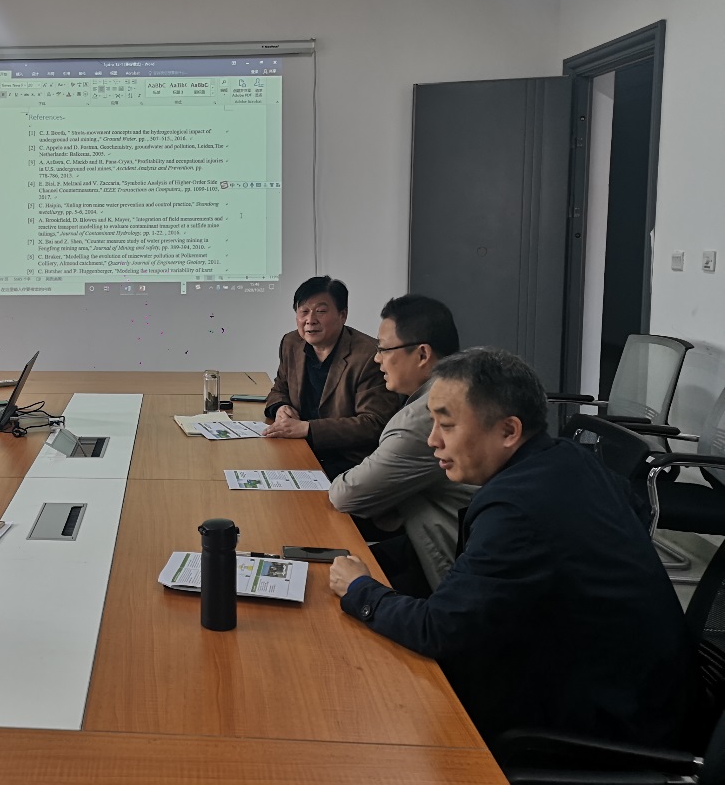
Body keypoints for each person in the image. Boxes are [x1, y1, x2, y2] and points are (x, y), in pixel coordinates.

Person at [328, 347, 691, 747]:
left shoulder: (517, 510)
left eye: (446, 425)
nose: (432, 441)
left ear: (508, 431)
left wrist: (361, 590)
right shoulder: (568, 457)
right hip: (644, 693)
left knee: (376, 707)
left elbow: (439, 630)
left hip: (604, 727)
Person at [328, 294, 474, 593]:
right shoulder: (463, 385)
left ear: (422, 354)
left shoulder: (427, 416)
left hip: (452, 571)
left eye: (383, 349)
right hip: (435, 537)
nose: (376, 358)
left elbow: (347, 494)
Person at [262, 275, 399, 478]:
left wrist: (308, 429)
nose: (310, 320)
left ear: (343, 315)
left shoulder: (368, 356)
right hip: (298, 449)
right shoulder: (291, 343)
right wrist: (281, 407)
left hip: (348, 463)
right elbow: (279, 388)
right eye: (303, 311)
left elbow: (374, 423)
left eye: (321, 311)